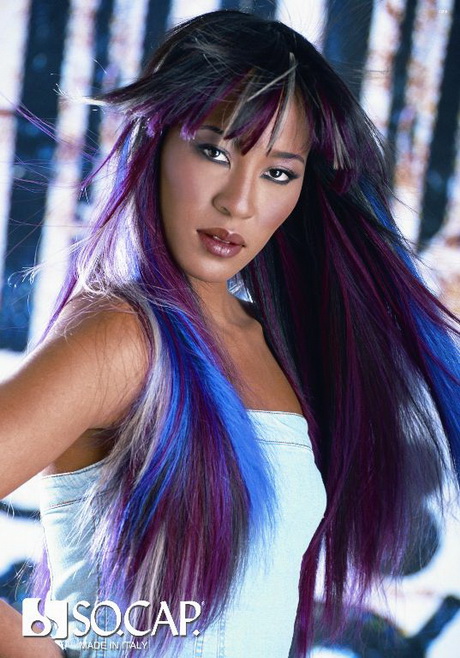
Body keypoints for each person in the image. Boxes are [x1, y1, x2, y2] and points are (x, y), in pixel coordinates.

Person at [1, 8, 459, 658]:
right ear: (157, 140)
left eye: (278, 172)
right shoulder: (123, 336)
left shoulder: (273, 344)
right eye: (215, 151)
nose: (238, 202)